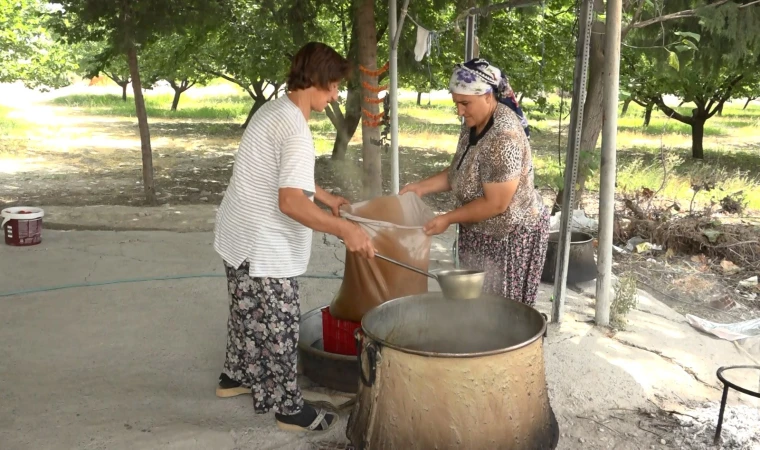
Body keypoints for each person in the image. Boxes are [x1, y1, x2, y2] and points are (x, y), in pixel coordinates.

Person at [212, 42, 374, 433]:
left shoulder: (275, 109)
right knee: (280, 325)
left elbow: (287, 173)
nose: (335, 94)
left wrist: (326, 197)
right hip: (262, 245)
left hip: (237, 233)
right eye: (333, 86)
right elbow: (290, 202)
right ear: (316, 80)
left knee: (246, 315)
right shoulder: (296, 128)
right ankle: (289, 410)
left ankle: (235, 376)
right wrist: (345, 229)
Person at [400, 58, 549, 307]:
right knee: (475, 306)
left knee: (500, 313)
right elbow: (461, 170)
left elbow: (496, 204)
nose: (460, 111)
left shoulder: (504, 136)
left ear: (488, 96)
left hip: (510, 238)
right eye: (456, 103)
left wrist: (447, 218)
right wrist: (420, 187)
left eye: (465, 103)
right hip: (481, 232)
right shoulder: (473, 123)